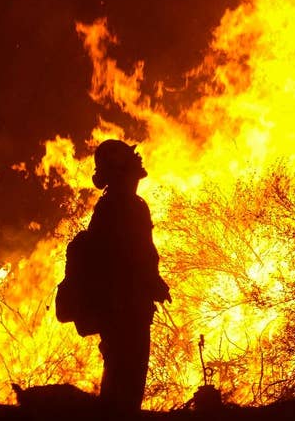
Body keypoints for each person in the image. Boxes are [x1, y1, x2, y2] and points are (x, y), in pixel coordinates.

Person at [86, 139, 171, 415]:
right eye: (131, 158)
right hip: (121, 311)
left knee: (129, 385)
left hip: (132, 309)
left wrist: (154, 283)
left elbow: (141, 256)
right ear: (120, 168)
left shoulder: (132, 205)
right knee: (121, 388)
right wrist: (146, 286)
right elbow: (120, 262)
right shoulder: (115, 208)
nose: (139, 160)